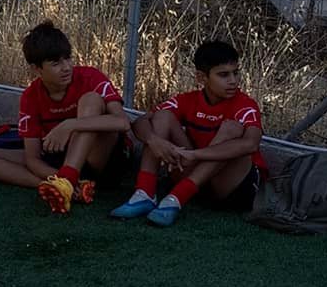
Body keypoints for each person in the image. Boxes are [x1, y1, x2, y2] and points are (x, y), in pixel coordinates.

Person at [0, 21, 130, 213]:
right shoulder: (30, 97)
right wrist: (54, 175)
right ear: (36, 69)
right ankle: (64, 186)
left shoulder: (91, 78)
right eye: (56, 63)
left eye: (67, 59)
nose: (66, 67)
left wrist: (70, 125)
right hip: (58, 161)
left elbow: (122, 122)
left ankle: (67, 180)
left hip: (100, 160)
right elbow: (33, 159)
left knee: (91, 100)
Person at [112, 39, 264, 226]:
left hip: (230, 187)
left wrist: (195, 154)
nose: (233, 80)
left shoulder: (245, 105)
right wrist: (154, 141)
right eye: (224, 75)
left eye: (236, 73)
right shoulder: (188, 100)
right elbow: (140, 122)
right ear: (201, 78)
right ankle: (144, 193)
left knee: (232, 129)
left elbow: (251, 144)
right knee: (163, 116)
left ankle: (176, 198)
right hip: (195, 175)